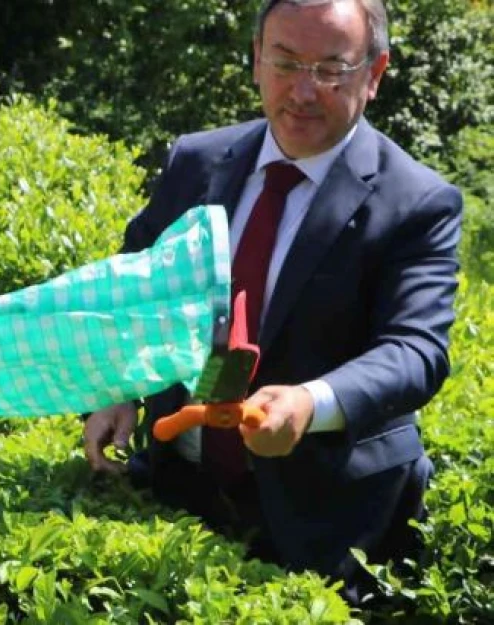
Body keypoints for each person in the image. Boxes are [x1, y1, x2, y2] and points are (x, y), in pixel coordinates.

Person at [82, 0, 462, 605]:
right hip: (175, 484)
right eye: (285, 62)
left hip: (327, 519)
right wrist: (116, 387)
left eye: (331, 69)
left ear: (375, 73)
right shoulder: (196, 161)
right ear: (256, 58)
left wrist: (312, 403)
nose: (303, 92)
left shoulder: (418, 202)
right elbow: (135, 284)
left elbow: (416, 350)